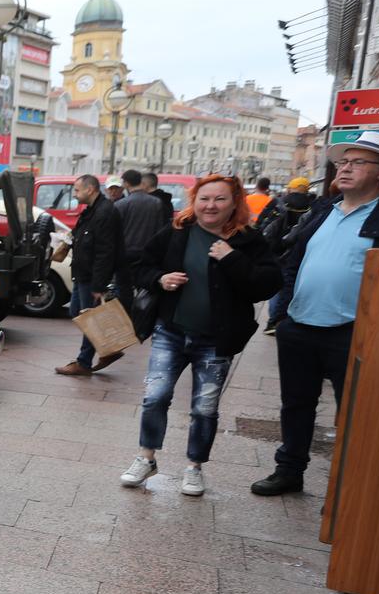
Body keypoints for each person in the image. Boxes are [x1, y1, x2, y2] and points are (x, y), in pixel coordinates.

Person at [120, 175, 280, 497]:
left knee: (204, 408)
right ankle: (146, 457)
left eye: (220, 199)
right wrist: (160, 279)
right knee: (155, 396)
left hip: (216, 340)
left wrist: (231, 258)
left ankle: (194, 467)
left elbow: (268, 284)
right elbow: (139, 265)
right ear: (194, 201)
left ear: (234, 203)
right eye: (204, 199)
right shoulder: (177, 232)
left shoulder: (247, 240)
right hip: (171, 332)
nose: (211, 206)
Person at [253, 130, 379, 496]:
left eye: (357, 162)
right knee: (296, 404)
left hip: (354, 331)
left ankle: (347, 489)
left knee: (354, 413)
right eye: (343, 162)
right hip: (300, 325)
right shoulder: (322, 210)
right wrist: (283, 315)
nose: (344, 168)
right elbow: (294, 261)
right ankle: (289, 470)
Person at [56, 173, 126, 376]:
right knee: (77, 312)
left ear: (90, 189)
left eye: (77, 190)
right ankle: (109, 349)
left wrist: (99, 285)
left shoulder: (105, 212)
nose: (75, 194)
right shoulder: (91, 211)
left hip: (91, 277)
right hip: (82, 273)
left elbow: (105, 252)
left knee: (89, 317)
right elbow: (82, 237)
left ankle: (84, 361)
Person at [260, 176, 316, 333]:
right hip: (298, 251)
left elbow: (264, 222)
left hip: (277, 249)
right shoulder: (313, 206)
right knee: (290, 285)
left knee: (276, 286)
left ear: (291, 188)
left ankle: (273, 319)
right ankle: (281, 318)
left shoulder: (279, 202)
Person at [114, 168, 167, 297]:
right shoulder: (156, 203)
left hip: (126, 253)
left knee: (124, 288)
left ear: (126, 183)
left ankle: (127, 309)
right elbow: (160, 229)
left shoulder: (121, 204)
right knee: (145, 288)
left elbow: (115, 232)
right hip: (148, 252)